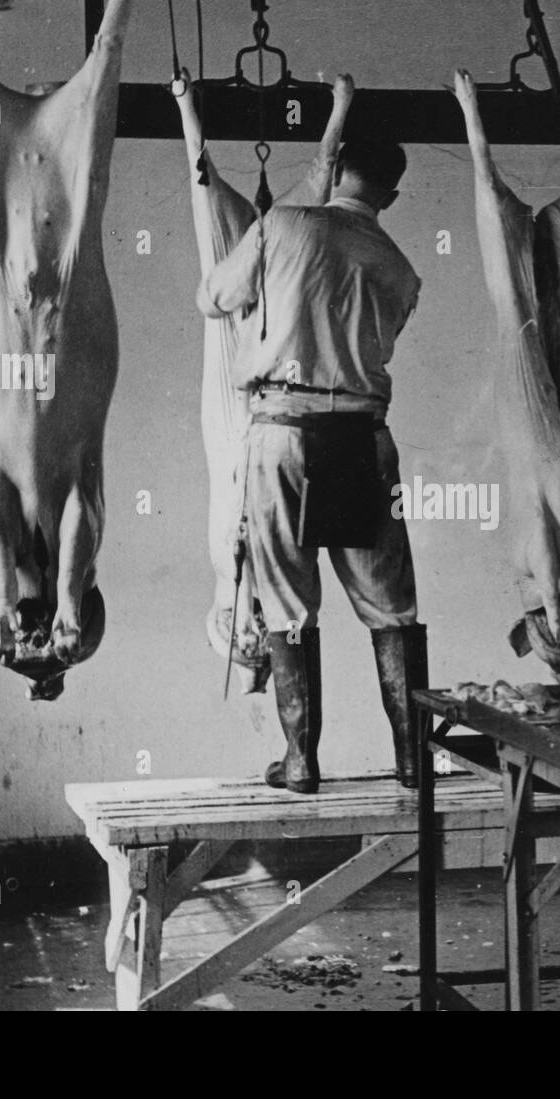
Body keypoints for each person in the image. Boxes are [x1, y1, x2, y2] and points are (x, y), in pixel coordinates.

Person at [197, 141, 424, 793]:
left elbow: (213, 298)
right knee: (391, 608)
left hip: (282, 434)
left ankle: (300, 761)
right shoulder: (402, 268)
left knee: (288, 604)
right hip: (362, 438)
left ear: (336, 167)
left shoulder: (283, 224)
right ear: (390, 195)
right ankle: (413, 758)